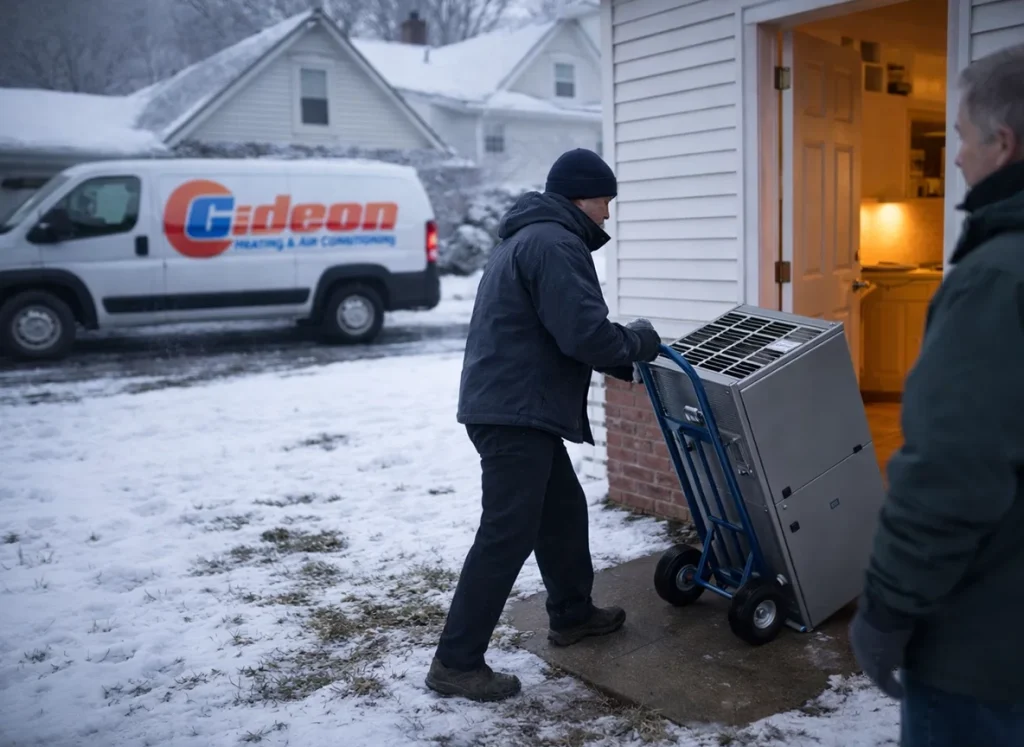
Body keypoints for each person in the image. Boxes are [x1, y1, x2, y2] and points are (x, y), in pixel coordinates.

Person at [425, 148, 662, 702]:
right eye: (605, 201)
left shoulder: (530, 237)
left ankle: (573, 614)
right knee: (506, 533)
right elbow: (582, 334)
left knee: (560, 512)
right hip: (514, 413)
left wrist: (621, 350)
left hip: (510, 406)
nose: (607, 214)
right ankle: (456, 662)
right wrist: (638, 344)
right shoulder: (555, 243)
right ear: (584, 196)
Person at [849, 43, 1024, 747]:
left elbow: (952, 469)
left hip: (984, 648)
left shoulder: (996, 278)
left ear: (1002, 144)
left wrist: (887, 604)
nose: (955, 156)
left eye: (960, 136)